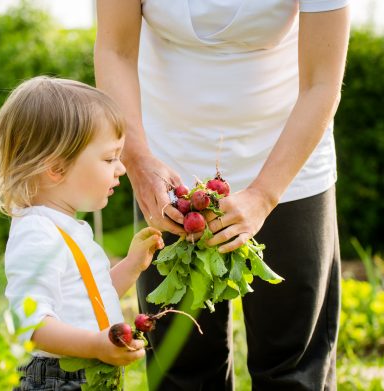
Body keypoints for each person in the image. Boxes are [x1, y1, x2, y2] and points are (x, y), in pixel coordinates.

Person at [94, 0, 350, 390]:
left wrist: (263, 195)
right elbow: (115, 51)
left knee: (293, 370)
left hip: (289, 171)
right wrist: (139, 162)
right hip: (167, 175)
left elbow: (322, 82)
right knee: (183, 368)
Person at [0, 76, 165, 390]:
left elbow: (86, 301)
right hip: (58, 377)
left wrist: (131, 266)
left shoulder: (64, 227)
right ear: (56, 168)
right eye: (109, 158)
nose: (120, 169)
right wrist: (94, 344)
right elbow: (30, 324)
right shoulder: (38, 234)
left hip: (83, 371)